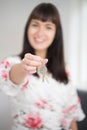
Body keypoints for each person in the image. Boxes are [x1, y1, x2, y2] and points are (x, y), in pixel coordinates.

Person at [0, 2, 85, 130]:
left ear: (56, 33)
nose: (40, 32)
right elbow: (12, 77)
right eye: (35, 25)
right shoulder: (12, 62)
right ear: (27, 28)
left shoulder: (64, 71)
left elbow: (70, 115)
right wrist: (24, 66)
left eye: (48, 27)